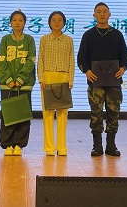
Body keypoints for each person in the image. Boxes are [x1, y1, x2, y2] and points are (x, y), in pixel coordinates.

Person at [77, 2, 127, 157]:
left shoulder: (117, 34)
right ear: (94, 15)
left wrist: (123, 68)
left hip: (114, 82)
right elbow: (81, 57)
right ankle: (97, 146)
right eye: (98, 12)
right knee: (96, 114)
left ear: (109, 14)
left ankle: (111, 145)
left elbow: (124, 56)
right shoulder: (88, 35)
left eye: (104, 11)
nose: (102, 14)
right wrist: (86, 71)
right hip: (95, 82)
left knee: (114, 113)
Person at [0, 10, 36, 156]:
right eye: (14, 20)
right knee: (8, 114)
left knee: (23, 115)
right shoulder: (5, 39)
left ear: (24, 23)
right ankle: (8, 144)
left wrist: (20, 79)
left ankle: (19, 144)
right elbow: (1, 61)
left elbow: (31, 61)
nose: (17, 23)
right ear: (10, 23)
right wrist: (8, 79)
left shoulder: (29, 40)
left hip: (24, 85)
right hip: (7, 85)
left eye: (20, 20)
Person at [38, 11, 75, 156]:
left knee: (62, 113)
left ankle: (62, 147)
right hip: (48, 76)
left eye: (60, 20)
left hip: (63, 76)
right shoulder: (44, 39)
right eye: (54, 20)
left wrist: (70, 79)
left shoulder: (68, 40)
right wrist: (41, 78)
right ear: (49, 22)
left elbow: (71, 60)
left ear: (64, 22)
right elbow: (40, 60)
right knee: (47, 113)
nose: (57, 22)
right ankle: (49, 147)